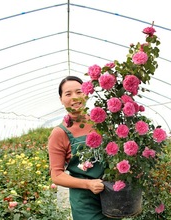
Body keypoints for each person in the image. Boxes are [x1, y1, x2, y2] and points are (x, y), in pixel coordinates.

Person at [48, 76, 117, 220]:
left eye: (79, 92)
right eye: (68, 94)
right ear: (61, 99)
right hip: (85, 201)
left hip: (111, 193)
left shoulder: (101, 123)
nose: (74, 97)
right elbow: (56, 175)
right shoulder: (60, 133)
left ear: (86, 94)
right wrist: (88, 184)